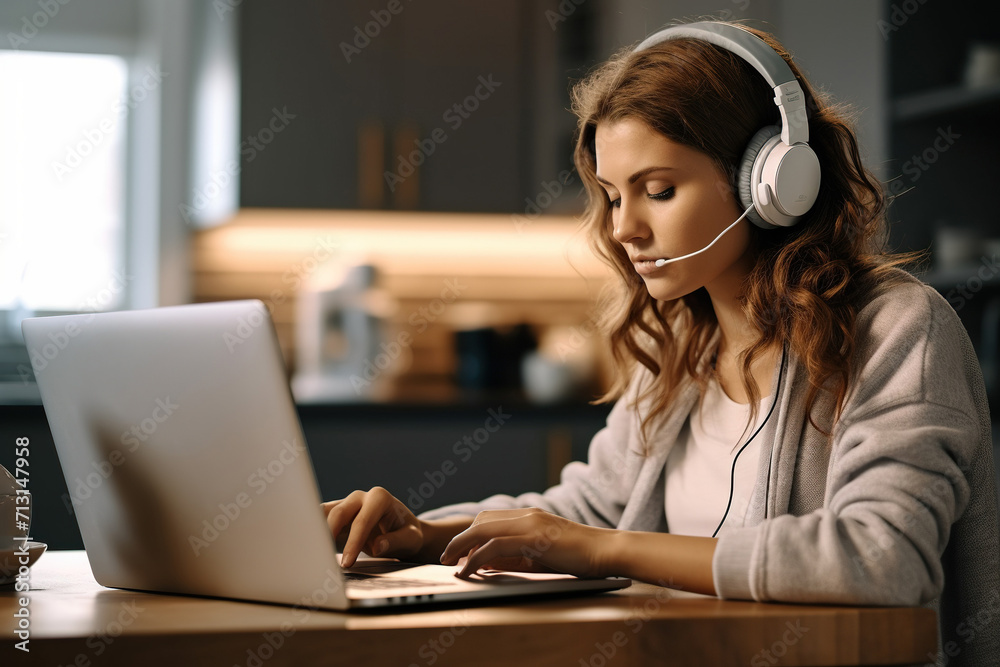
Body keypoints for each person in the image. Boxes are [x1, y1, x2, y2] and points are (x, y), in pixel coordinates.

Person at [323, 19, 999, 666]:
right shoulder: (681, 346)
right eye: (614, 197)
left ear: (772, 182)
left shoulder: (899, 329)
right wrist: (423, 534)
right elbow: (587, 512)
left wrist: (602, 549)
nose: (624, 229)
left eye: (658, 190)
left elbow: (880, 556)